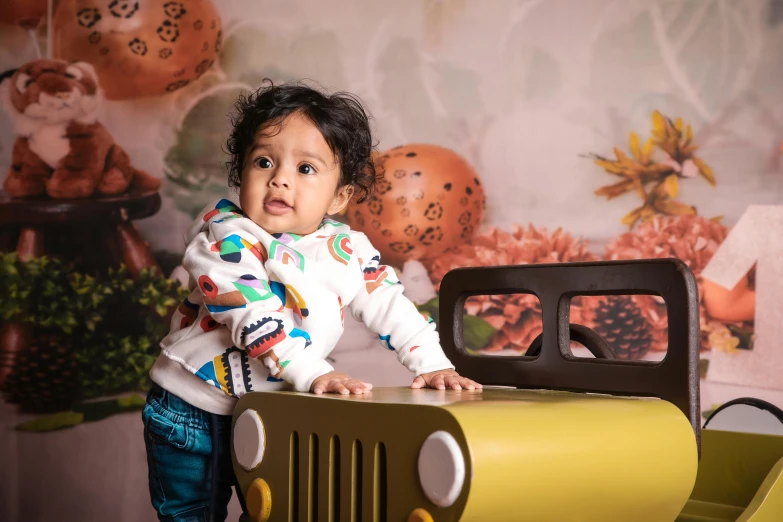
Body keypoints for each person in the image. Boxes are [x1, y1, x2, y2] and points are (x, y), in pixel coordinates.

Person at [141, 79, 482, 521]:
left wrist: (432, 363)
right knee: (192, 514)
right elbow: (250, 314)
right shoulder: (225, 237)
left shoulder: (348, 249)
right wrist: (313, 372)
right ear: (239, 174)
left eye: (306, 169)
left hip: (275, 410)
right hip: (194, 409)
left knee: (275, 510)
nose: (280, 178)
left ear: (339, 196)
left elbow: (389, 304)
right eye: (264, 161)